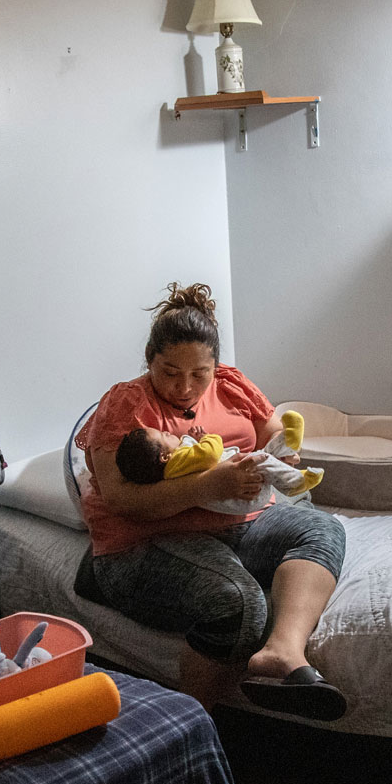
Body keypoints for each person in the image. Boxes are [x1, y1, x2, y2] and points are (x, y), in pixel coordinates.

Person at [75, 283, 348, 721]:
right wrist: (208, 485)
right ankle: (186, 729)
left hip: (238, 524)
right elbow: (122, 499)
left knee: (323, 528)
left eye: (199, 374)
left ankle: (283, 650)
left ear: (214, 367)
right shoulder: (126, 404)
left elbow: (274, 433)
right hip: (146, 540)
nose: (184, 387)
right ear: (149, 360)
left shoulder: (232, 385)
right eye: (169, 372)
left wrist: (283, 455)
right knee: (238, 603)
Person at [112, 412, 323, 515]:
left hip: (244, 492)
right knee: (262, 460)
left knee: (261, 456)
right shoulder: (177, 463)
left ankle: (287, 443)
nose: (168, 432)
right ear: (164, 457)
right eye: (164, 435)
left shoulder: (177, 464)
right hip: (246, 496)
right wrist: (208, 437)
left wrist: (194, 438)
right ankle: (294, 483)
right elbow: (210, 454)